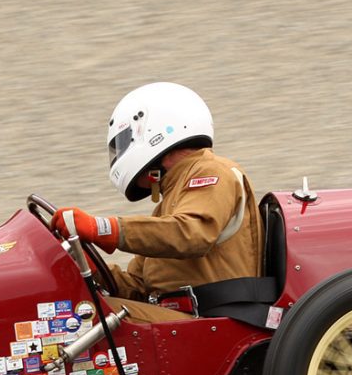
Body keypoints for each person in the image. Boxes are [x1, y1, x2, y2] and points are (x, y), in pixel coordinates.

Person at [53, 82, 262, 323]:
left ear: (153, 130)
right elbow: (138, 287)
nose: (120, 154)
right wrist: (89, 266)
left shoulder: (212, 171)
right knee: (65, 309)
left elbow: (191, 234)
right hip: (180, 316)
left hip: (213, 318)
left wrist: (102, 229)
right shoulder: (168, 205)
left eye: (123, 143)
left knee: (81, 315)